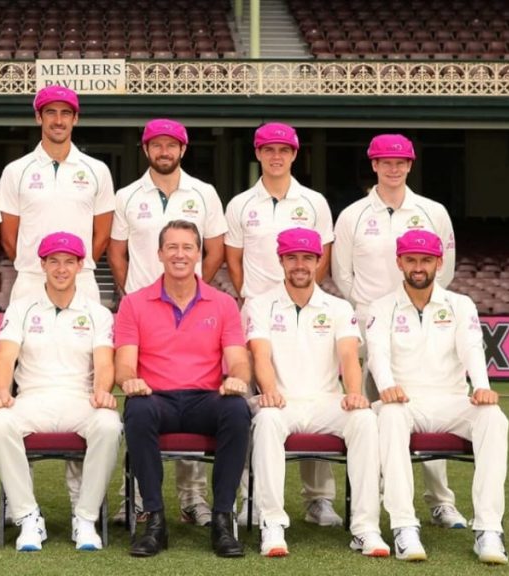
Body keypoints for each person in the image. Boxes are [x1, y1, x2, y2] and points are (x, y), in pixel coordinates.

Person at [332, 134, 466, 529]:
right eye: (385, 162)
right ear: (373, 165)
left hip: (420, 322)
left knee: (430, 406)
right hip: (369, 326)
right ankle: (370, 500)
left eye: (401, 162)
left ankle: (440, 501)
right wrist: (376, 312)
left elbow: (447, 268)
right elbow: (342, 274)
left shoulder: (432, 212)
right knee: (371, 416)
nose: (393, 168)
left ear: (410, 165)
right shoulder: (353, 215)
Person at [107, 118, 226, 526]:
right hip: (142, 314)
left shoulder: (205, 193)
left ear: (183, 149)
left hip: (192, 308)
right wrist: (132, 297)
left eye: (171, 145)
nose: (164, 151)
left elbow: (214, 251)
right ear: (145, 149)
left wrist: (193, 294)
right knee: (142, 403)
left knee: (195, 391)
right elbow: (116, 252)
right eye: (156, 145)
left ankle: (193, 499)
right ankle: (136, 497)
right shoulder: (127, 195)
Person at [245, 228, 389, 558]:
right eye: (292, 257)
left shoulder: (338, 307)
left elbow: (349, 356)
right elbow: (260, 354)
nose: (300, 264)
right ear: (281, 260)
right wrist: (269, 391)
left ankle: (365, 528)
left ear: (318, 261)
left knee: (365, 419)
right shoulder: (260, 304)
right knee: (266, 420)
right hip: (281, 402)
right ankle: (272, 524)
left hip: (325, 402)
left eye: (307, 258)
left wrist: (354, 393)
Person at [367, 230, 509, 564]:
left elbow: (472, 348)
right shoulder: (382, 306)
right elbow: (377, 353)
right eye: (412, 260)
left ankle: (489, 529)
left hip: (452, 401)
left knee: (493, 417)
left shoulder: (460, 305)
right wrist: (387, 385)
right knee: (388, 414)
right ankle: (404, 526)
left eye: (426, 260)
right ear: (399, 262)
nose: (419, 267)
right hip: (405, 402)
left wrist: (482, 386)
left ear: (439, 263)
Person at [223, 122, 340, 528]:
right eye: (269, 150)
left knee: (315, 394)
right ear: (258, 154)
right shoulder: (240, 204)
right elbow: (233, 260)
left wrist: (300, 296)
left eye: (284, 150)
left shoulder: (314, 202)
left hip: (305, 312)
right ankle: (249, 497)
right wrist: (256, 299)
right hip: (257, 315)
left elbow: (322, 257)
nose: (276, 156)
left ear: (295, 155)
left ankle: (319, 499)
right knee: (251, 409)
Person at [115, 219, 251, 558]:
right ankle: (155, 521)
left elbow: (238, 361)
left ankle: (222, 520)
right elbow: (124, 364)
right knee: (137, 408)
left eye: (187, 247)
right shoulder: (134, 303)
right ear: (159, 254)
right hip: (155, 398)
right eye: (172, 247)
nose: (180, 254)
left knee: (236, 409)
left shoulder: (222, 304)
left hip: (204, 399)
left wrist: (236, 377)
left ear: (199, 254)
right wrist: (130, 379)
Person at [0, 232, 121, 552]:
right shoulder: (21, 309)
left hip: (80, 398)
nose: (61, 269)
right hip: (33, 398)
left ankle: (85, 517)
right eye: (54, 261)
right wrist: (2, 392)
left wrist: (102, 392)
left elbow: (104, 363)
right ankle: (28, 517)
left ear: (80, 267)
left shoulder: (97, 312)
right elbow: (5, 357)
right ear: (43, 265)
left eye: (69, 262)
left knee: (109, 424)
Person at [0, 85, 115, 303]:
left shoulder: (98, 170)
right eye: (51, 112)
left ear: (75, 119)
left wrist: (72, 266)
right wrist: (38, 267)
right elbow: (8, 238)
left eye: (66, 113)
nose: (59, 120)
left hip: (82, 280)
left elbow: (102, 235)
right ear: (38, 117)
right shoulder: (15, 170)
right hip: (31, 280)